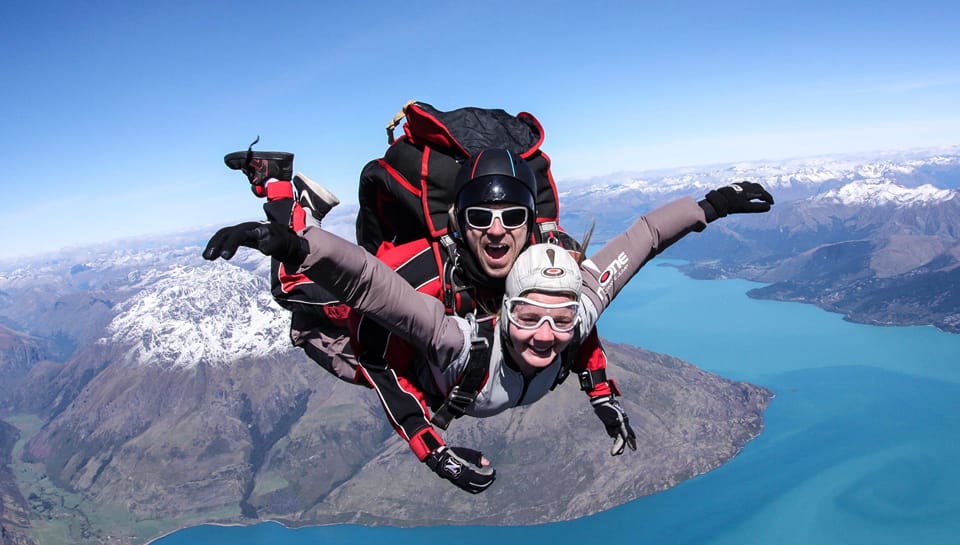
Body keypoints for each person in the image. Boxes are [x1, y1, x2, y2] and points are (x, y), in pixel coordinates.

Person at [204, 179, 775, 493]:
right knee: (293, 295)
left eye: (560, 320)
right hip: (379, 341)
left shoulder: (578, 313)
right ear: (503, 315)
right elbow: (367, 283)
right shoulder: (453, 340)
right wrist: (434, 452)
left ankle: (293, 214)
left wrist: (713, 205)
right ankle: (284, 194)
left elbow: (644, 238)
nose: (546, 337)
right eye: (528, 319)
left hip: (458, 377)